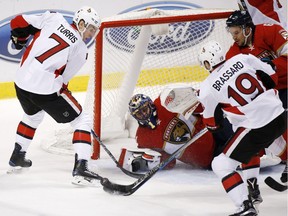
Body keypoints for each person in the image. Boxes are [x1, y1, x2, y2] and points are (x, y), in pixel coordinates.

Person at [8, 6, 102, 186]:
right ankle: (81, 168)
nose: (91, 33)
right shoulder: (81, 49)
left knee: (32, 115)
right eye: (90, 28)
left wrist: (20, 38)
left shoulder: (53, 18)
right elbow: (63, 80)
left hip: (21, 81)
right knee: (82, 119)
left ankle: (17, 156)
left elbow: (18, 22)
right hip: (44, 89)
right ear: (80, 23)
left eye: (94, 30)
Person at [197, 41, 287, 216]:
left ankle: (244, 206)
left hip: (259, 125)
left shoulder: (207, 86)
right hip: (278, 113)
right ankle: (253, 191)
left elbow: (211, 123)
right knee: (258, 139)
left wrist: (218, 119)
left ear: (207, 63)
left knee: (221, 164)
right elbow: (271, 76)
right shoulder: (243, 58)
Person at [225, 10, 288, 185]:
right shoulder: (233, 54)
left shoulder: (270, 31)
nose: (234, 37)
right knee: (276, 127)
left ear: (247, 29)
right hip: (268, 95)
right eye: (232, 33)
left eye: (236, 32)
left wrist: (271, 66)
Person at [118, 87, 224, 173]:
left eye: (144, 110)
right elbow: (169, 161)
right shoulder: (143, 138)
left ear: (150, 104)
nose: (144, 115)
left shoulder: (164, 103)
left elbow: (198, 105)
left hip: (216, 132)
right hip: (209, 161)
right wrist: (144, 162)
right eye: (139, 114)